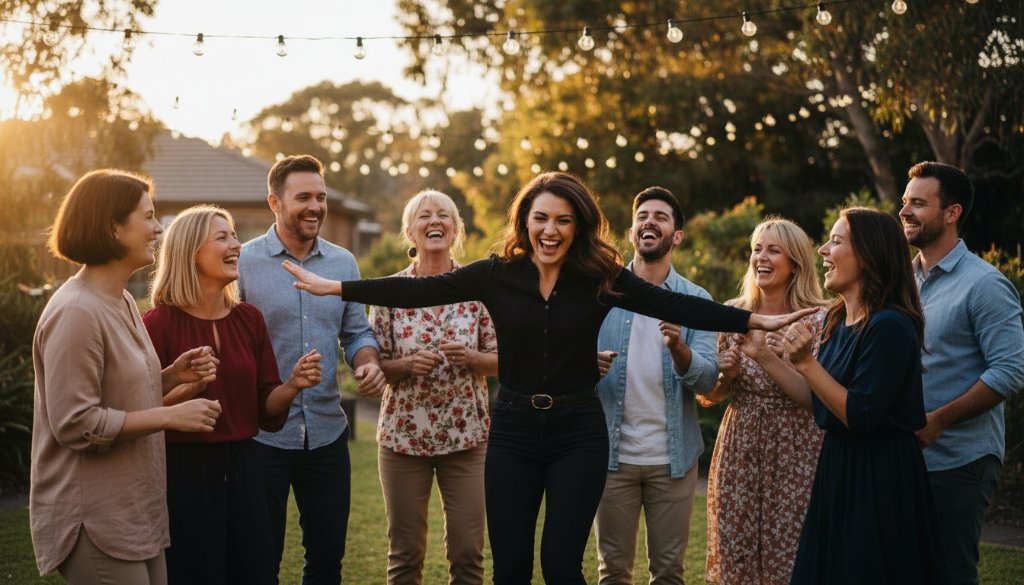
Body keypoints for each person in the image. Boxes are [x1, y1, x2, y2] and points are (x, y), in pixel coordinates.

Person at [283, 171, 816, 585]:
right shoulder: (498, 274)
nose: (550, 230)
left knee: (562, 568)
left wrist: (753, 319)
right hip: (513, 430)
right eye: (541, 218)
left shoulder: (598, 277)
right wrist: (336, 290)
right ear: (525, 222)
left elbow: (672, 301)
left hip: (578, 433)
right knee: (511, 569)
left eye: (562, 220)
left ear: (577, 227)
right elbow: (418, 291)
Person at [30, 169, 222, 584]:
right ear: (113, 227)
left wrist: (170, 377)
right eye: (148, 217)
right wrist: (171, 416)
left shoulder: (121, 303)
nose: (158, 229)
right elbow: (76, 424)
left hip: (135, 511)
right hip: (94, 518)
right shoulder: (77, 311)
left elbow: (119, 394)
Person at [143, 205, 323, 585]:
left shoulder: (249, 319)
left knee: (257, 572)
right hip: (184, 474)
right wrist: (182, 393)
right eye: (222, 237)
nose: (236, 245)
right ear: (190, 250)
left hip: (247, 467)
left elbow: (265, 410)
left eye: (235, 236)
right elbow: (141, 410)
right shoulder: (156, 325)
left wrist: (292, 385)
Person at [775, 207, 947, 584]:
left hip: (879, 478)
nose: (822, 250)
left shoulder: (889, 326)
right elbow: (822, 400)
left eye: (835, 242)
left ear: (868, 255)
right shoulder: (838, 320)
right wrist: (769, 357)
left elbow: (860, 412)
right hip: (840, 466)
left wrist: (806, 363)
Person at [238, 154, 386, 585]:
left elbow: (356, 332)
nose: (316, 206)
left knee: (326, 560)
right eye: (303, 197)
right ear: (274, 203)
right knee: (259, 559)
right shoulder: (243, 263)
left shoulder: (344, 263)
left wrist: (369, 362)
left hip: (326, 432)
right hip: (262, 436)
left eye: (320, 197)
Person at [898, 162, 1024, 585]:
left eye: (918, 203)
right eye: (904, 202)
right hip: (904, 457)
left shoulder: (984, 284)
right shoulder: (903, 281)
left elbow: (1011, 370)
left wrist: (941, 420)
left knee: (949, 573)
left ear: (951, 213)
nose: (905, 211)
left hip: (960, 458)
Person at [370, 189, 498, 585]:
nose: (434, 222)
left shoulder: (479, 290)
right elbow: (372, 365)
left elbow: (504, 359)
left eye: (443, 215)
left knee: (467, 554)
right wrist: (405, 365)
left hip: (467, 439)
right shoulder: (389, 292)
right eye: (424, 216)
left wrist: (473, 360)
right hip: (403, 439)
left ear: (456, 229)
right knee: (405, 555)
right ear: (410, 231)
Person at [592, 187, 717, 585]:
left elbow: (709, 380)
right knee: (612, 572)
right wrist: (584, 369)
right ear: (632, 232)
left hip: (673, 461)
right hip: (612, 458)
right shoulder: (601, 296)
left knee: (668, 573)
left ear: (676, 236)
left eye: (661, 216)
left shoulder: (696, 300)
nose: (650, 221)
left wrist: (679, 348)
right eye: (642, 215)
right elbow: (564, 365)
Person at [700, 218, 827, 585]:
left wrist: (765, 359)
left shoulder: (818, 318)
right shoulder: (732, 313)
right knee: (735, 551)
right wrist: (725, 376)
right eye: (757, 248)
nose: (761, 257)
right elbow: (710, 396)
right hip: (739, 448)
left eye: (773, 249)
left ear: (796, 262)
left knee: (790, 554)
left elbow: (816, 402)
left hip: (796, 451)